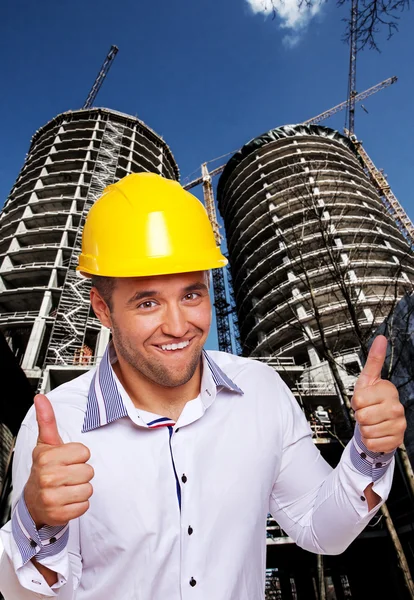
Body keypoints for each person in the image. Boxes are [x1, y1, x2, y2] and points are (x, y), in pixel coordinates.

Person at [0, 173, 406, 599]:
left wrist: (371, 454)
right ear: (103, 309)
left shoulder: (260, 393)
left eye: (191, 296)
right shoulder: (56, 426)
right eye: (148, 302)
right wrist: (37, 524)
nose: (178, 326)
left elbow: (321, 529)